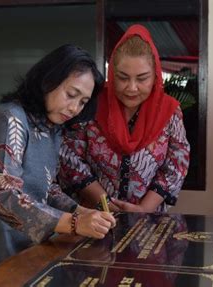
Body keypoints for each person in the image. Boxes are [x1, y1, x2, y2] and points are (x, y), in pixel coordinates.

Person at [0, 44, 116, 287]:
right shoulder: (8, 119)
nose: (74, 108)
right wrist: (74, 223)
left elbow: (46, 189)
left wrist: (81, 211)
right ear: (47, 81)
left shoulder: (51, 129)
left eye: (82, 102)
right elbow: (2, 194)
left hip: (17, 251)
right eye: (71, 94)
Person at [59, 24, 190, 213]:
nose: (132, 87)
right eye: (122, 77)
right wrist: (105, 204)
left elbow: (177, 164)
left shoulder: (169, 111)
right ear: (111, 74)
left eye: (142, 78)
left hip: (148, 220)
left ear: (155, 76)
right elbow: (69, 157)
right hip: (92, 216)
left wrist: (143, 209)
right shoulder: (91, 103)